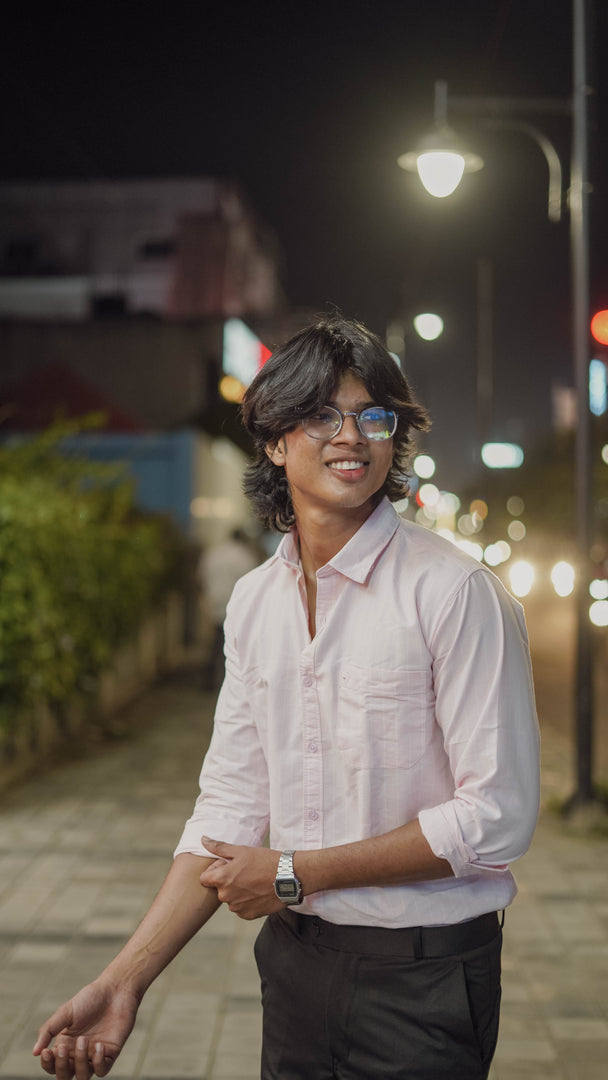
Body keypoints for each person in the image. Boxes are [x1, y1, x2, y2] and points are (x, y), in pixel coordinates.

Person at [33, 316, 540, 1080]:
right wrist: (123, 980)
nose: (353, 436)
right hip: (295, 971)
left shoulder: (456, 593)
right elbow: (231, 807)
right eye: (322, 414)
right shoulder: (254, 603)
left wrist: (294, 871)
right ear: (274, 440)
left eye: (374, 417)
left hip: (425, 983)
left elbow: (498, 816)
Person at [198, 527, 260, 689]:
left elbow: (202, 576)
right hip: (237, 606)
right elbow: (253, 583)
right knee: (234, 646)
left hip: (215, 603)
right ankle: (231, 683)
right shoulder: (245, 557)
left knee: (215, 643)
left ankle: (210, 681)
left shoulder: (214, 554)